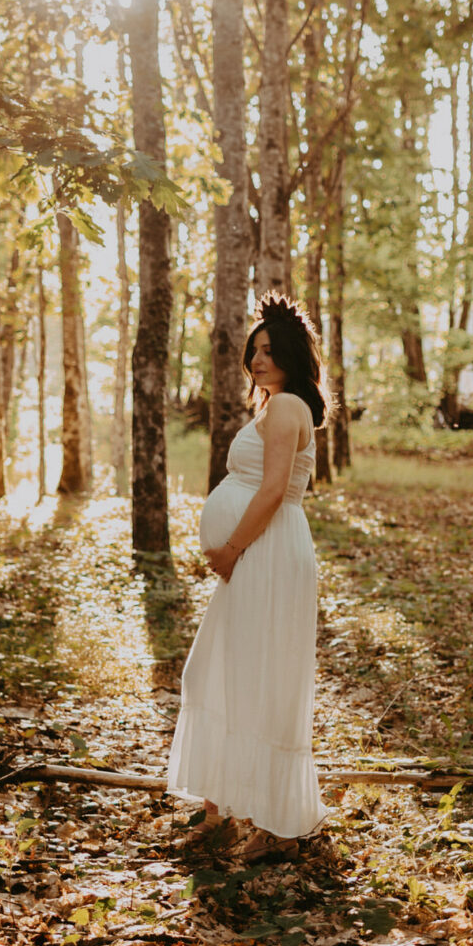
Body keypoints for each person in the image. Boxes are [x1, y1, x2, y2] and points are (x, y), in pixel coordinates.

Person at [166, 293, 330, 858]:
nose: (258, 360)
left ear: (290, 356)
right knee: (222, 672)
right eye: (254, 350)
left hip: (264, 549)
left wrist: (232, 547)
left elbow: (274, 489)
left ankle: (274, 823)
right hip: (259, 550)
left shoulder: (286, 408)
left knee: (255, 678)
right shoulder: (275, 405)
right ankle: (220, 814)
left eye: (269, 350)